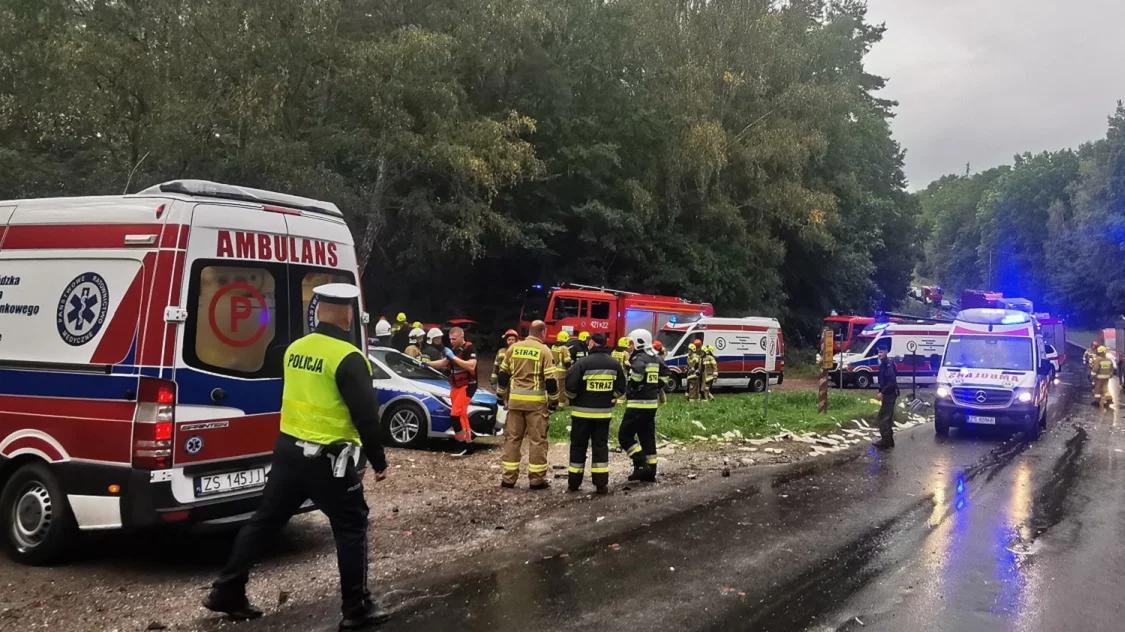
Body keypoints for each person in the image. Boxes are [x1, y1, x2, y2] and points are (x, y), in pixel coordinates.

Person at [203, 283, 389, 629]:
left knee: (264, 522)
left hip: (288, 453)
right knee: (351, 526)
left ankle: (227, 589)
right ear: (347, 314)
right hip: (328, 461)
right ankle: (356, 607)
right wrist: (378, 461)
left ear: (318, 313)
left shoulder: (293, 350)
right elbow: (367, 416)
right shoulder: (348, 358)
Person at [497, 320, 557, 489]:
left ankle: (508, 478)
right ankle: (536, 480)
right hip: (536, 405)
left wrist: (501, 394)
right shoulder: (544, 350)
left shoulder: (513, 348)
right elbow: (551, 380)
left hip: (515, 402)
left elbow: (503, 374)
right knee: (537, 440)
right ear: (543, 332)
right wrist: (554, 401)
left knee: (512, 439)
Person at [564, 333, 626, 494]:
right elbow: (621, 388)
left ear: (592, 343)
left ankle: (574, 483)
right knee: (600, 447)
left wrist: (575, 399)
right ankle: (601, 484)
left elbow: (570, 388)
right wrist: (609, 398)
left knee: (578, 447)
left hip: (581, 415)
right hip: (603, 415)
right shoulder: (614, 364)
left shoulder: (582, 363)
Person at [619, 329, 669, 482]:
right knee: (647, 437)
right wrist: (654, 386)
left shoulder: (639, 358)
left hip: (637, 405)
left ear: (638, 342)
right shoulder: (656, 357)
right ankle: (650, 471)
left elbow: (637, 376)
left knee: (625, 435)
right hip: (651, 404)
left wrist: (631, 380)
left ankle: (641, 464)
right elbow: (666, 374)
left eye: (631, 342)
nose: (630, 346)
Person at [428, 327, 478, 454]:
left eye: (454, 339)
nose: (452, 342)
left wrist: (453, 357)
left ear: (462, 337)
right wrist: (427, 364)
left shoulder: (470, 349)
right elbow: (443, 363)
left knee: (455, 415)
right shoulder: (454, 350)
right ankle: (469, 444)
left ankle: (460, 444)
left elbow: (471, 366)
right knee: (462, 416)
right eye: (450, 339)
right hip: (456, 386)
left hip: (468, 385)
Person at [872, 346, 899, 449]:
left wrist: (882, 393)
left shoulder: (888, 365)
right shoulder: (884, 364)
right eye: (878, 352)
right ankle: (889, 440)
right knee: (887, 417)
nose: (879, 354)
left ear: (886, 352)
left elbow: (891, 381)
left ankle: (885, 441)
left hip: (890, 394)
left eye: (881, 352)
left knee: (883, 417)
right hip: (888, 394)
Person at [552, 332, 573, 408]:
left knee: (555, 388)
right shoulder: (564, 348)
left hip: (554, 370)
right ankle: (561, 405)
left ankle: (553, 402)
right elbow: (567, 361)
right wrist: (570, 368)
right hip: (562, 371)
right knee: (561, 389)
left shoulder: (553, 347)